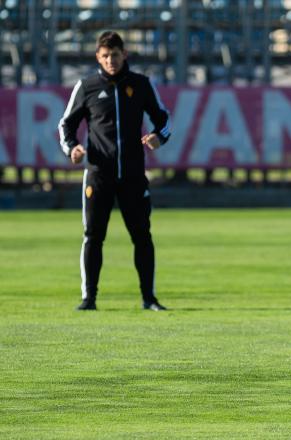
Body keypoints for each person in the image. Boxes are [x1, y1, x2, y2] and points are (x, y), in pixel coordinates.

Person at [58, 31, 171, 311]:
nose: (111, 60)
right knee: (94, 236)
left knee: (142, 236)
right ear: (98, 56)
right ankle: (89, 299)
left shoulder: (141, 85)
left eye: (115, 55)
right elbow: (65, 125)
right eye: (105, 56)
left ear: (124, 55)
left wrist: (159, 136)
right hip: (98, 175)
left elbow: (164, 120)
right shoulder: (87, 87)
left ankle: (149, 298)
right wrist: (72, 148)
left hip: (133, 175)